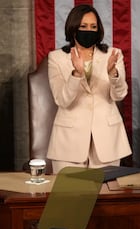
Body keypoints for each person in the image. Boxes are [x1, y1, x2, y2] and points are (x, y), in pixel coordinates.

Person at [47, 4, 132, 174]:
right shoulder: (56, 58)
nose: (89, 30)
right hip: (68, 144)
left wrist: (112, 73)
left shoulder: (113, 54)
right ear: (73, 29)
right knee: (70, 198)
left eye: (93, 27)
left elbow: (120, 94)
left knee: (105, 198)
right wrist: (76, 74)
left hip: (107, 141)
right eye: (83, 26)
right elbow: (62, 100)